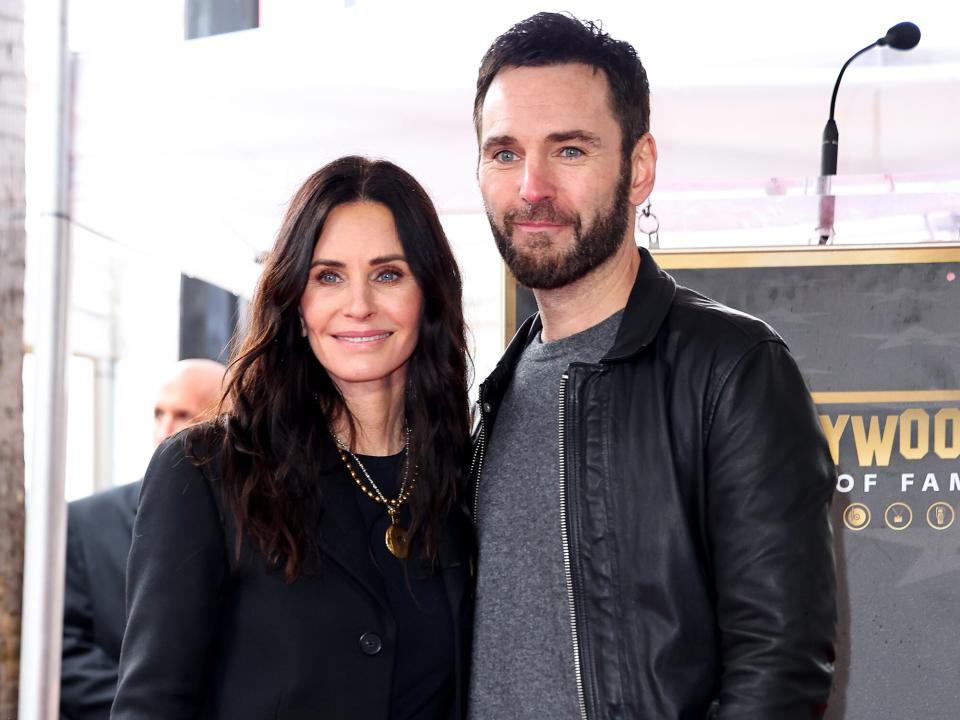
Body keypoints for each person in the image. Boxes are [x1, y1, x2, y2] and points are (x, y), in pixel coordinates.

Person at [468, 12, 837, 720]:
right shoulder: (489, 398)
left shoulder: (731, 370)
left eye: (569, 151)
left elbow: (780, 670)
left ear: (639, 169)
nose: (531, 189)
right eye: (505, 153)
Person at [110, 156, 473, 720]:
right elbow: (152, 706)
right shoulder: (207, 471)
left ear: (427, 293)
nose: (358, 305)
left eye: (388, 273)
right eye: (327, 276)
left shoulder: (464, 476)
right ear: (296, 306)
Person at [61, 358, 226, 720]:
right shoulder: (86, 520)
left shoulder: (263, 522)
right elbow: (64, 647)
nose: (166, 429)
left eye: (184, 415)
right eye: (158, 413)